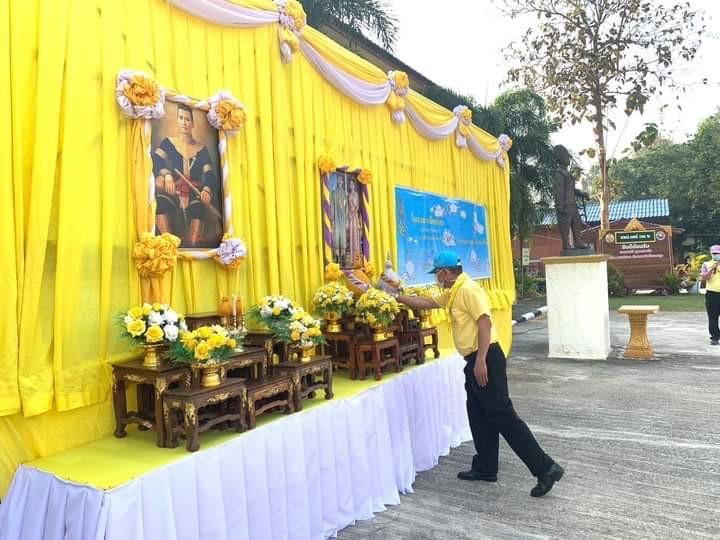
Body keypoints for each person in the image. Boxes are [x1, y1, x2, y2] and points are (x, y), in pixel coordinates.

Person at [392, 250, 564, 497]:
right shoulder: (454, 291)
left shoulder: (468, 290)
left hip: (486, 358)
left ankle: (545, 468)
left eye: (437, 274)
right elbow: (428, 303)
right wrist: (397, 297)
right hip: (475, 359)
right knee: (479, 414)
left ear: (445, 272)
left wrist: (481, 360)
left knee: (503, 416)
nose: (436, 279)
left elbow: (485, 322)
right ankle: (485, 466)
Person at [152, 103, 221, 247]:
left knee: (198, 208)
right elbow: (156, 160)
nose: (184, 122)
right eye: (181, 118)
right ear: (177, 120)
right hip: (174, 192)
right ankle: (168, 247)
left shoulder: (202, 149)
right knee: (161, 203)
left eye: (187, 119)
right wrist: (167, 175)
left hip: (194, 194)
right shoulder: (168, 143)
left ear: (193, 124)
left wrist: (207, 190)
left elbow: (209, 174)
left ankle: (192, 248)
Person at [553, 145, 590, 251]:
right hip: (565, 205)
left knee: (577, 222)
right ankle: (566, 244)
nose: (568, 160)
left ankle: (578, 243)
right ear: (561, 159)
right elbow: (559, 191)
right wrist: (559, 207)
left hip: (572, 204)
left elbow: (572, 190)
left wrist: (582, 194)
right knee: (565, 224)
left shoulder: (567, 173)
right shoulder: (559, 173)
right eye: (566, 158)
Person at [700, 245, 720, 345]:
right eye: (713, 253)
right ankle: (715, 337)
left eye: (717, 253)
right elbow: (704, 278)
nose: (715, 255)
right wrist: (712, 269)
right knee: (713, 317)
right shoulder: (706, 264)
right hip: (712, 294)